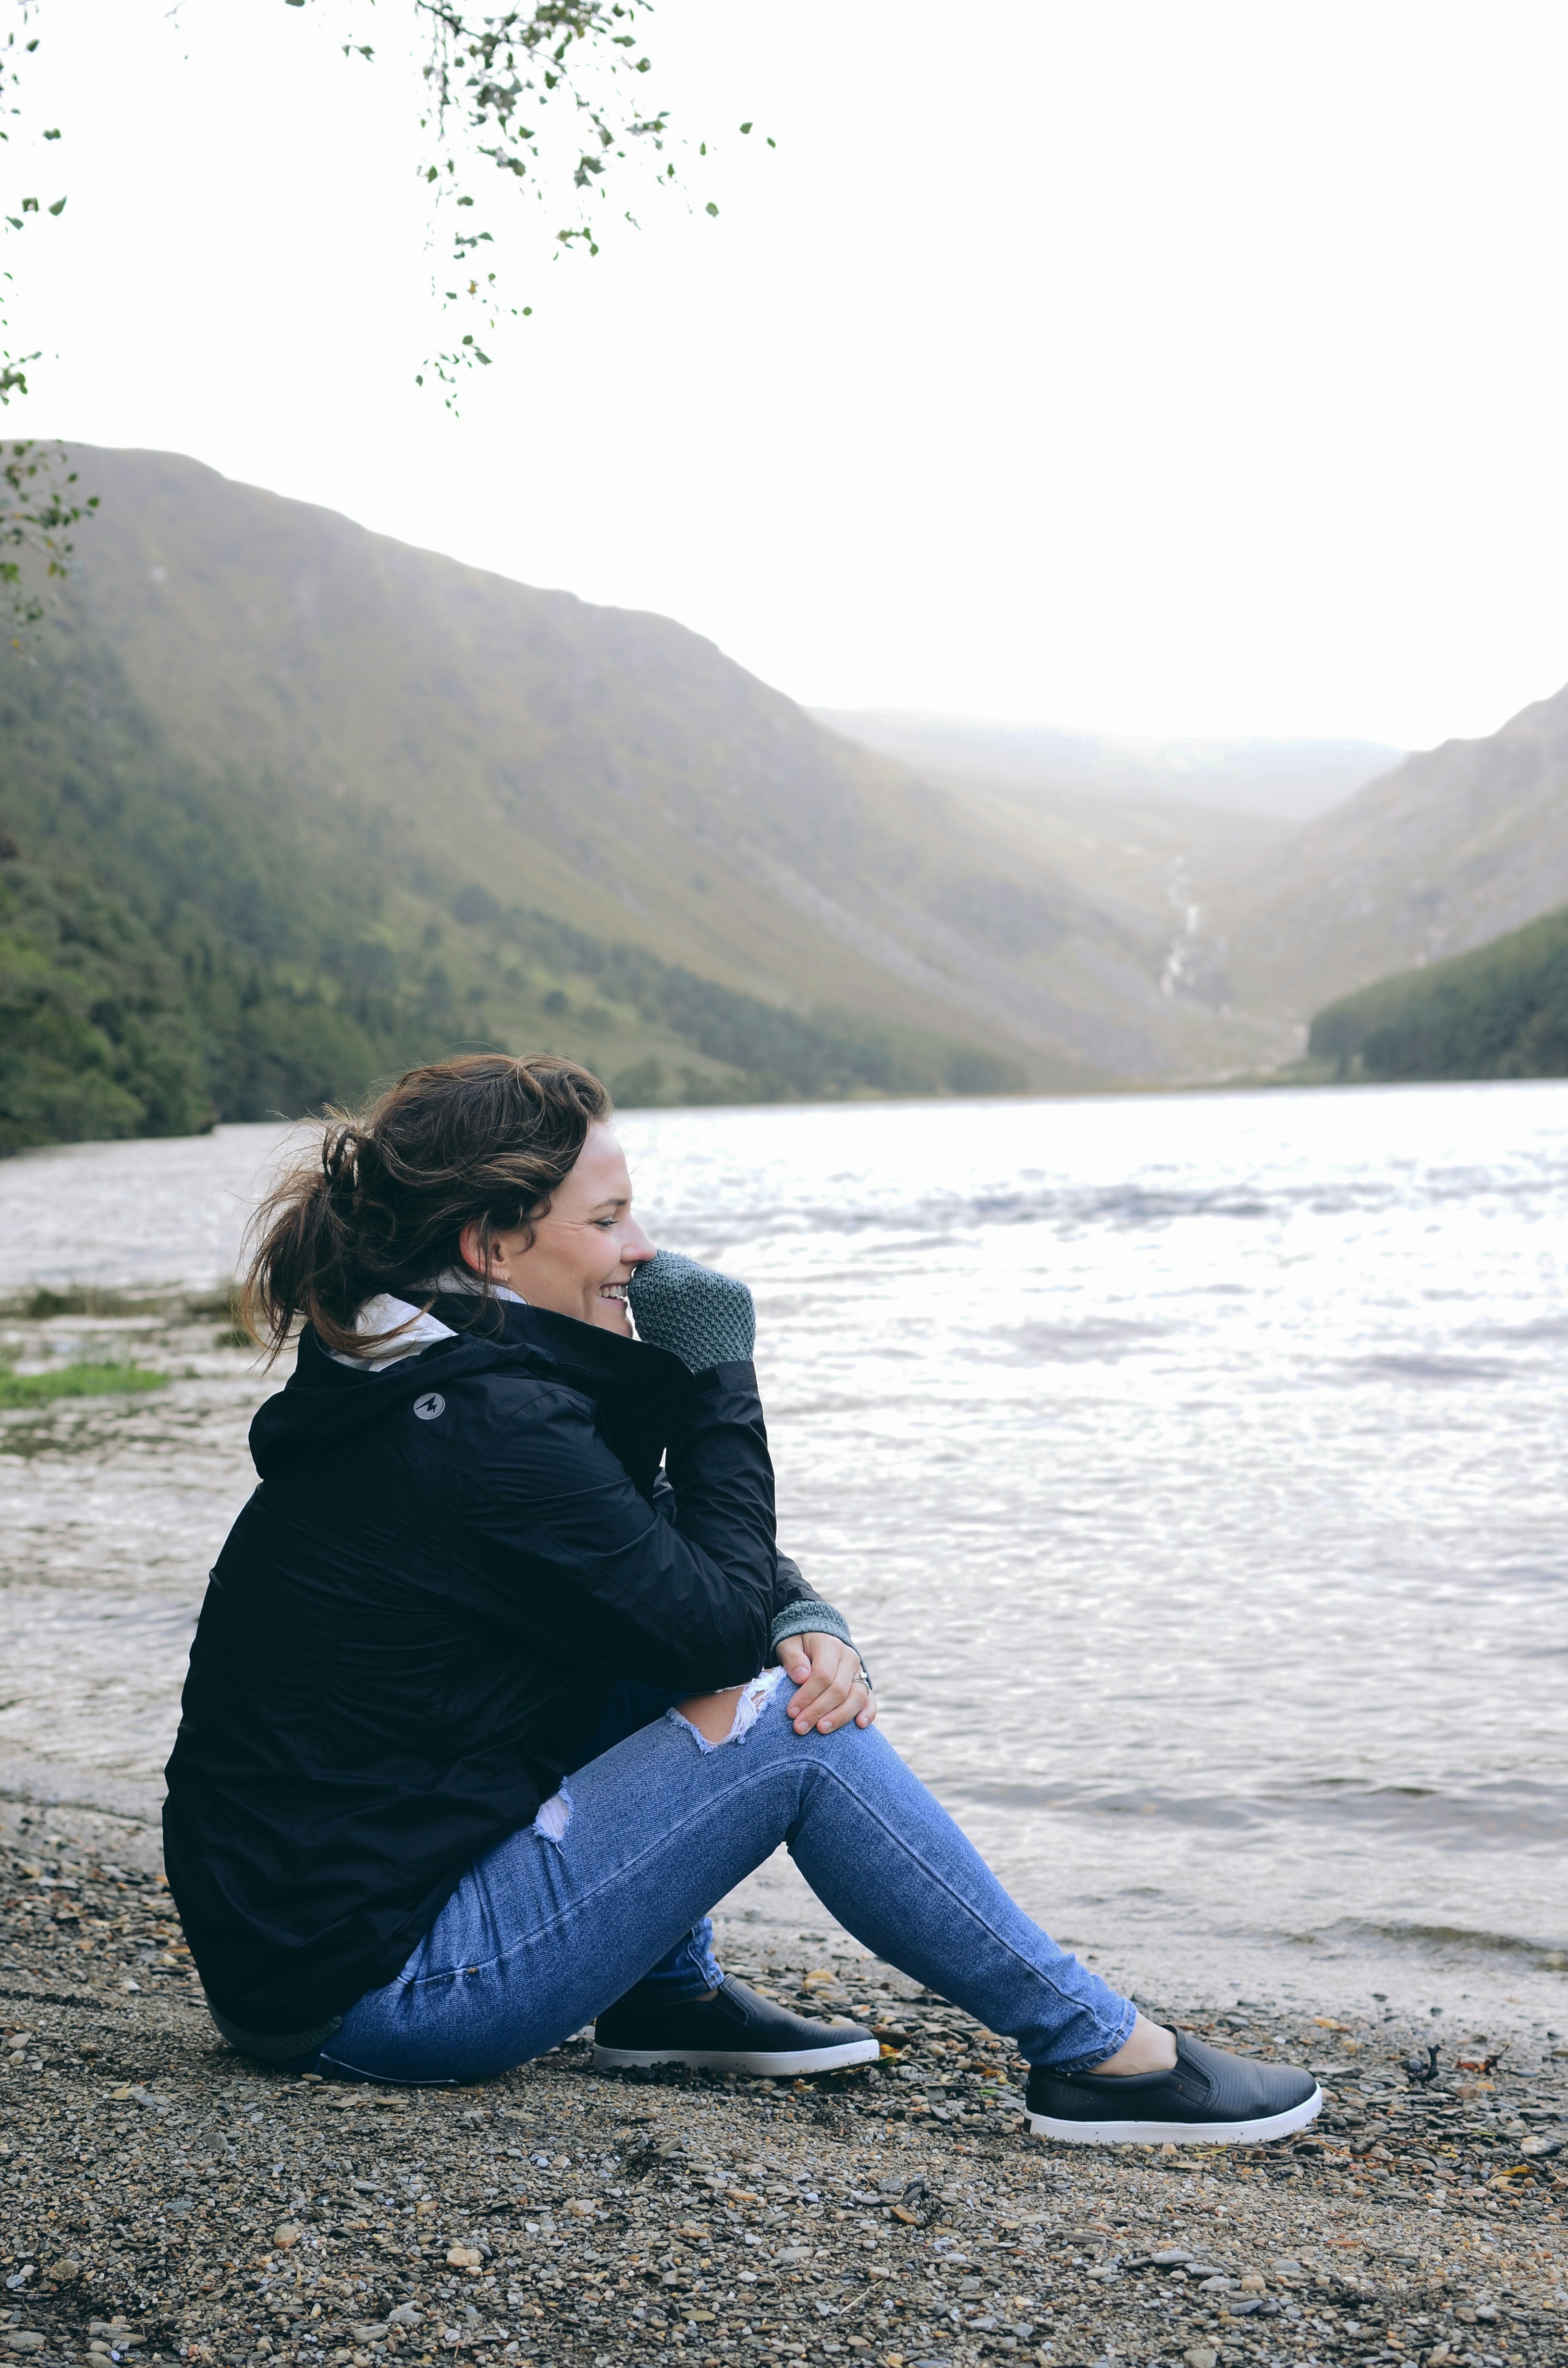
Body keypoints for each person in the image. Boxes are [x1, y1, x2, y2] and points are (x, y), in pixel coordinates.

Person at [163, 1053, 1320, 2146]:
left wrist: (805, 1611)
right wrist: (717, 1373)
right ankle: (1104, 2055)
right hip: (384, 1995)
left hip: (307, 1963)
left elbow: (633, 1550)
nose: (645, 1252)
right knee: (797, 1737)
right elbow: (708, 1618)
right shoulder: (481, 1428)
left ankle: (664, 1998)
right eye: (608, 1221)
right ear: (493, 1246)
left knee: (701, 1651)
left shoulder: (428, 1381)